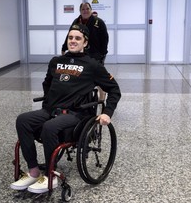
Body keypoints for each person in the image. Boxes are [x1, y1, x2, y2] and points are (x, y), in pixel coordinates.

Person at [10, 24, 121, 194]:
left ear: (85, 43)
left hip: (76, 114)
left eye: (77, 38)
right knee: (23, 120)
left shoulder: (93, 65)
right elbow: (47, 83)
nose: (73, 41)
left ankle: (50, 176)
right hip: (50, 110)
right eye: (70, 38)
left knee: (50, 127)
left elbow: (114, 89)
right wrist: (49, 102)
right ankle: (33, 171)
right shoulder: (56, 61)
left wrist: (107, 112)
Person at [62, 2, 109, 101]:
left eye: (87, 8)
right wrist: (64, 47)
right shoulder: (76, 22)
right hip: (81, 53)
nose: (85, 11)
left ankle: (102, 93)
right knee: (81, 74)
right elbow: (69, 35)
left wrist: (103, 53)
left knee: (98, 75)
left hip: (95, 53)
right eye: (83, 9)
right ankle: (82, 94)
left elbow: (105, 38)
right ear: (80, 11)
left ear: (91, 10)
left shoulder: (98, 22)